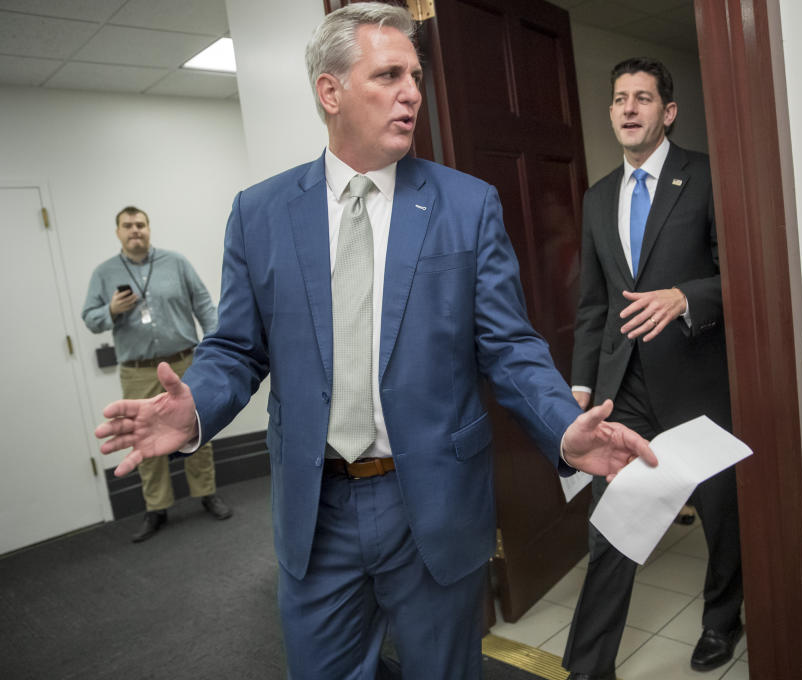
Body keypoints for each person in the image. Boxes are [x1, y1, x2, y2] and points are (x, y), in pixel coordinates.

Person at [94, 6, 657, 680]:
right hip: (317, 509)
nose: (412, 92)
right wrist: (195, 412)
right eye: (388, 75)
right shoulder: (260, 214)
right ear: (330, 92)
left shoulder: (466, 204)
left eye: (414, 76)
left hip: (433, 502)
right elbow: (238, 350)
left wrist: (566, 430)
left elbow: (509, 345)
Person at [563, 57, 744, 678]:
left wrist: (686, 296)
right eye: (620, 99)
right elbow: (594, 304)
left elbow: (742, 275)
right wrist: (581, 387)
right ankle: (590, 665)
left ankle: (723, 620)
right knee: (614, 523)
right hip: (625, 386)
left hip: (697, 377)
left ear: (668, 111)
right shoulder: (597, 198)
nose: (629, 108)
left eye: (643, 98)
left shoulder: (707, 177)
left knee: (721, 512)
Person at [82, 206, 232, 542]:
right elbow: (90, 318)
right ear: (117, 232)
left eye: (140, 224)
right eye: (127, 226)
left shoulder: (176, 263)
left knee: (198, 429)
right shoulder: (103, 273)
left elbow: (204, 304)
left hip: (184, 363)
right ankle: (157, 507)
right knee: (142, 436)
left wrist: (217, 346)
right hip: (137, 371)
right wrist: (110, 310)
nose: (135, 230)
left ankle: (207, 492)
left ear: (149, 228)